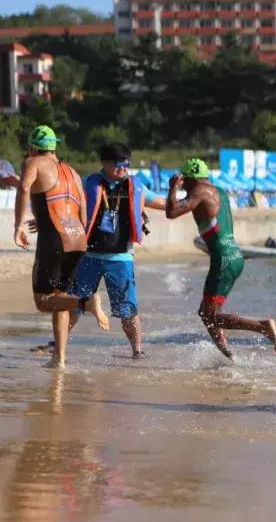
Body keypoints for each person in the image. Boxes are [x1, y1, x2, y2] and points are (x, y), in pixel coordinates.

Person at [165, 157, 276, 359]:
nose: (183, 184)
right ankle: (229, 356)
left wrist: (172, 189)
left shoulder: (198, 192)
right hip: (234, 256)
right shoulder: (220, 191)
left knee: (210, 316)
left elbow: (171, 212)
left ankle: (263, 327)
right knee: (207, 314)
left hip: (223, 260)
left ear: (190, 178)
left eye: (184, 180)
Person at [13, 125, 107, 368]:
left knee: (44, 301)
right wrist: (47, 221)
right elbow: (81, 212)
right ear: (54, 146)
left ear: (33, 146)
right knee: (60, 299)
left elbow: (24, 187)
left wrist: (19, 225)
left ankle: (86, 303)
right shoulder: (73, 172)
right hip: (78, 239)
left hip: (54, 239)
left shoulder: (32, 162)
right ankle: (60, 359)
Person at [62, 142, 166, 358]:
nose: (123, 169)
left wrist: (187, 202)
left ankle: (137, 350)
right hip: (88, 256)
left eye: (126, 164)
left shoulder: (136, 187)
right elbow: (65, 204)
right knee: (74, 303)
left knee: (127, 310)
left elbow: (165, 204)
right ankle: (57, 343)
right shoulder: (89, 184)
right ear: (105, 163)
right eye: (118, 164)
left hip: (120, 258)